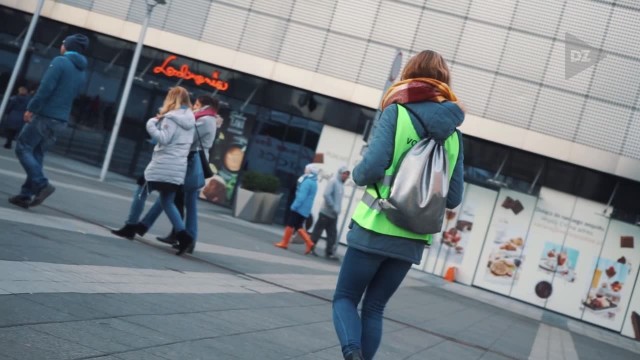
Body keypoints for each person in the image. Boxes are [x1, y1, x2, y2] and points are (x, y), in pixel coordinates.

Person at [332, 50, 465, 360]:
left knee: (345, 299)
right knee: (375, 308)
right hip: (413, 238)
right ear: (444, 84)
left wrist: (357, 171)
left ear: (409, 76)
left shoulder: (397, 113)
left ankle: (353, 354)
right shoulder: (456, 137)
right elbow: (454, 197)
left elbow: (370, 170)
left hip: (375, 226)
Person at [112, 86, 196, 255]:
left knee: (140, 193)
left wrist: (151, 124)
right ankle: (184, 236)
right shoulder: (191, 119)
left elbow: (164, 139)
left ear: (171, 98)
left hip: (162, 165)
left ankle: (130, 226)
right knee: (167, 202)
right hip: (177, 167)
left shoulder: (171, 118)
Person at [8, 34, 89, 208]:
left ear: (67, 46)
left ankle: (42, 184)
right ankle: (25, 195)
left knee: (23, 147)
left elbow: (45, 88)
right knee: (37, 154)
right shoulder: (82, 71)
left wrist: (31, 108)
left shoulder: (60, 62)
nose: (61, 45)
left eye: (63, 43)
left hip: (45, 116)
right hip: (61, 120)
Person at [157, 95, 219, 253]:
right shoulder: (206, 118)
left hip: (194, 163)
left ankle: (187, 239)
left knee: (180, 200)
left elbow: (189, 136)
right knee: (180, 199)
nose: (194, 107)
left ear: (204, 105)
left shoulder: (206, 120)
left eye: (197, 104)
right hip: (191, 161)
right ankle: (179, 235)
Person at [274, 164, 319, 254]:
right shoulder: (314, 183)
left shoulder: (307, 182)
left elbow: (301, 196)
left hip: (299, 207)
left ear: (310, 171)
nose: (305, 170)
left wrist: (294, 206)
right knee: (298, 226)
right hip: (305, 209)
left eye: (306, 169)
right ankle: (309, 243)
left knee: (290, 224)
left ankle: (284, 243)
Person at [310, 165, 350, 259]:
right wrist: (333, 207)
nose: (346, 176)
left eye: (347, 175)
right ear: (340, 173)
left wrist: (336, 210)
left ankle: (329, 253)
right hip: (326, 212)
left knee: (332, 234)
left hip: (333, 215)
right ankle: (310, 247)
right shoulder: (333, 181)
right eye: (344, 173)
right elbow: (326, 195)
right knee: (317, 232)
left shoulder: (340, 185)